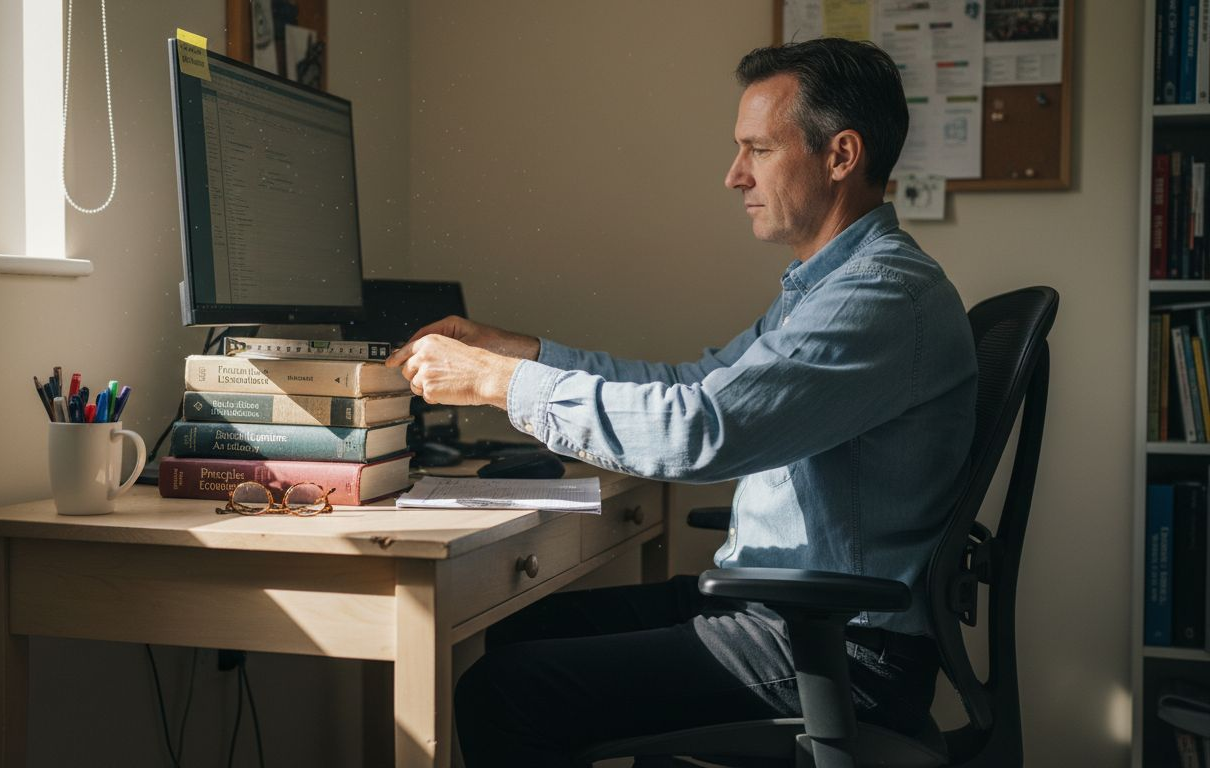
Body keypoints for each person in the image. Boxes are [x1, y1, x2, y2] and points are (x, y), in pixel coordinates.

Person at [384, 37, 978, 767]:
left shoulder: (880, 296)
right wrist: (522, 354)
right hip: (794, 616)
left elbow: (701, 431)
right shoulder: (828, 289)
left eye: (758, 149)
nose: (734, 175)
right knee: (522, 630)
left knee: (503, 693)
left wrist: (497, 383)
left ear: (841, 155)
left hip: (841, 651)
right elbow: (689, 386)